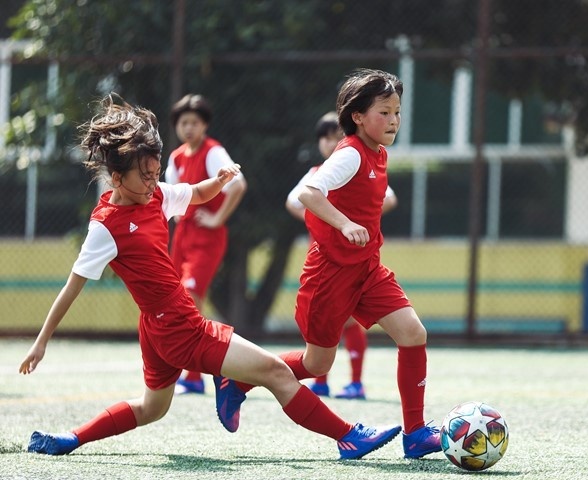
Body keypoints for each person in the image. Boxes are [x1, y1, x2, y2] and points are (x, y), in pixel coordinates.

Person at [18, 95, 401, 460]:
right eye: (145, 176)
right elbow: (72, 287)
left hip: (159, 326)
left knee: (152, 407)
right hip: (178, 327)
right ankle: (348, 436)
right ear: (116, 178)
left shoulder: (153, 196)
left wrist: (219, 180)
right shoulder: (105, 227)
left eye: (156, 173)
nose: (154, 182)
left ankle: (70, 438)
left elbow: (195, 193)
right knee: (274, 371)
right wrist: (41, 342)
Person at [223, 68, 441, 459]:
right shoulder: (350, 154)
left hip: (368, 270)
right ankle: (239, 381)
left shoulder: (379, 153)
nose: (393, 121)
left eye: (397, 112)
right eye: (384, 113)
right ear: (357, 116)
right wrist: (344, 223)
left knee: (413, 333)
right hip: (330, 275)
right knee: (317, 361)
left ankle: (416, 434)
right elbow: (308, 192)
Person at [285, 111, 397, 400]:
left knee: (356, 322)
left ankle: (356, 382)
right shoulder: (319, 173)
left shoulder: (362, 159)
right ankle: (318, 381)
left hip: (360, 259)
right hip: (327, 259)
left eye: (336, 135)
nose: (331, 141)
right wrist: (330, 222)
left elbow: (389, 197)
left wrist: (361, 219)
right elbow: (297, 200)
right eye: (325, 136)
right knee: (323, 339)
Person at [165, 94, 247, 395]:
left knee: (191, 295)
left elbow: (238, 185)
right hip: (183, 237)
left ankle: (195, 374)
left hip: (207, 237)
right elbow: (170, 196)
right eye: (183, 122)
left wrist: (217, 219)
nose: (188, 128)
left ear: (205, 125)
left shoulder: (213, 152)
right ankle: (187, 369)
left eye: (194, 122)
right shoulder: (176, 158)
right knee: (177, 301)